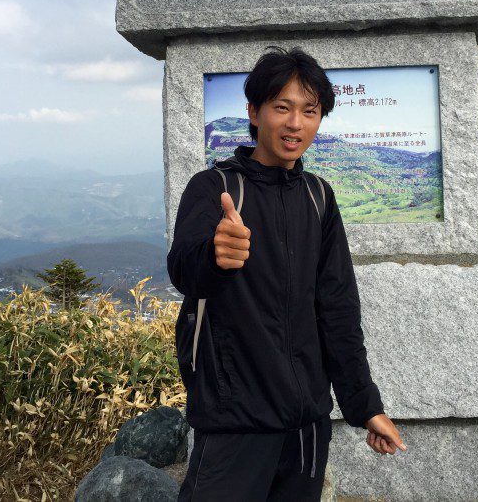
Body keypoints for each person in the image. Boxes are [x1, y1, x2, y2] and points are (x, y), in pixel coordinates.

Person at [169, 45, 406, 501]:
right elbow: (183, 270)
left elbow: (337, 309)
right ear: (254, 112)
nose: (295, 123)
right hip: (235, 422)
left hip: (306, 427)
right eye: (282, 107)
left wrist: (364, 406)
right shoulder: (214, 188)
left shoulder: (318, 197)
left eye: (309, 111)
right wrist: (216, 256)